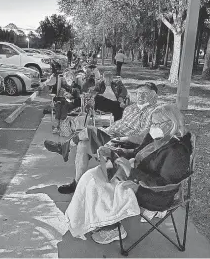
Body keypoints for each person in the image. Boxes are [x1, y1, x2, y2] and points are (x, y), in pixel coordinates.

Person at [64, 104, 192, 244]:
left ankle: (112, 228)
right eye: (152, 123)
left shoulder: (178, 151)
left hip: (154, 193)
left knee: (99, 186)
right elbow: (136, 153)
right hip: (137, 176)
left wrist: (131, 172)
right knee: (91, 176)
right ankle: (89, 219)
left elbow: (163, 184)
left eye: (156, 123)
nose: (152, 127)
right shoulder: (155, 138)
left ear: (170, 124)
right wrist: (113, 152)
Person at [44, 82, 159, 194]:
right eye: (138, 93)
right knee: (82, 145)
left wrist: (122, 139)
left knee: (88, 130)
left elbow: (143, 137)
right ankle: (77, 184)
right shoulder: (131, 108)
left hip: (122, 142)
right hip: (109, 134)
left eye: (145, 93)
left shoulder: (154, 113)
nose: (140, 96)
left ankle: (64, 147)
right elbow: (119, 124)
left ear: (153, 96)